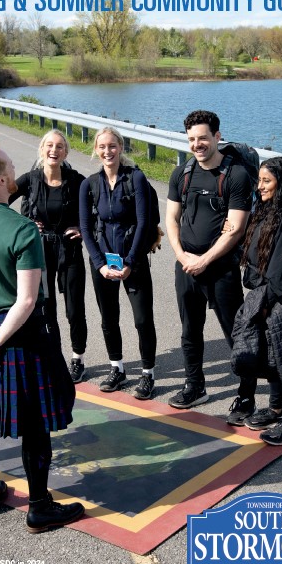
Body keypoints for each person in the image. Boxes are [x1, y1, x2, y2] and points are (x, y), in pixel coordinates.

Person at [0, 139, 84, 533]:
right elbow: (26, 300)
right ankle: (39, 506)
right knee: (35, 423)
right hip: (19, 337)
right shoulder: (23, 229)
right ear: (3, 179)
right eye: (9, 165)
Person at [166, 110, 254, 410]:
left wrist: (204, 260)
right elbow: (172, 220)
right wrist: (182, 257)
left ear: (217, 136)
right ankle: (195, 386)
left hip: (220, 269)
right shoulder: (181, 174)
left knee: (236, 335)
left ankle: (246, 395)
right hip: (186, 266)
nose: (197, 144)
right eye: (191, 139)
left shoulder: (236, 176)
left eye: (203, 138)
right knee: (190, 331)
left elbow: (236, 228)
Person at [231, 156, 282, 445]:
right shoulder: (269, 208)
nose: (260, 186)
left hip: (281, 293)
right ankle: (276, 408)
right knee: (270, 354)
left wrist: (267, 301)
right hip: (266, 291)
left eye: (267, 181)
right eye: (260, 180)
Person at [79, 127, 158, 400]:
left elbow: (145, 222)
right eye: (102, 147)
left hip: (132, 260)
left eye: (112, 146)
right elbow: (86, 229)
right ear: (95, 150)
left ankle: (148, 373)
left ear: (120, 147)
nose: (107, 151)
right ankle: (117, 368)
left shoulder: (135, 178)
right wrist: (100, 264)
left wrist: (132, 261)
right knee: (108, 319)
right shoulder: (89, 184)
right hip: (103, 263)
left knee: (142, 319)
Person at [9, 130, 88, 383]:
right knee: (46, 307)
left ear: (66, 152)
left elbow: (96, 208)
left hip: (70, 250)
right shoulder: (30, 180)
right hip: (39, 252)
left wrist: (83, 229)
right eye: (49, 145)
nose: (54, 150)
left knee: (74, 309)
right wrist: (24, 223)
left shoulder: (76, 181)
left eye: (60, 146)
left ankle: (78, 358)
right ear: (42, 150)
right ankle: (54, 355)